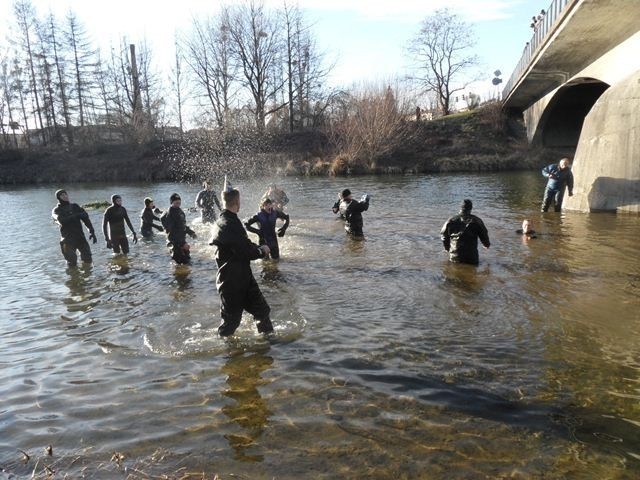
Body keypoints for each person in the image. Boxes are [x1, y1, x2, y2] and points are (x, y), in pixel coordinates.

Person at [209, 185, 274, 337]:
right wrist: (261, 251)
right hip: (232, 282)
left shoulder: (224, 221)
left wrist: (257, 247)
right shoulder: (229, 224)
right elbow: (244, 251)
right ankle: (227, 356)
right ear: (237, 202)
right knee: (231, 323)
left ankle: (269, 345)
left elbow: (242, 244)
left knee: (262, 311)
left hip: (242, 278)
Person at [52, 189, 97, 267]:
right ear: (58, 198)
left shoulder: (75, 206)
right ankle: (74, 277)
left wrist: (91, 231)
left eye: (66, 194)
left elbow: (86, 218)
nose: (65, 196)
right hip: (67, 240)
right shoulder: (56, 210)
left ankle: (88, 277)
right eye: (62, 195)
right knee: (72, 263)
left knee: (88, 260)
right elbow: (61, 220)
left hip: (80, 237)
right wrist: (76, 215)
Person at [440, 199, 491, 265]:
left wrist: (447, 248)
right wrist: (486, 244)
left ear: (460, 208)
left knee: (453, 272)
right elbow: (484, 234)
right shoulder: (477, 221)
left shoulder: (451, 220)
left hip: (455, 255)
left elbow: (443, 236)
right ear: (471, 208)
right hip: (472, 257)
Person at [161, 193, 197, 264]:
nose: (178, 203)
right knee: (182, 264)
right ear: (172, 202)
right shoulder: (170, 214)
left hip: (181, 241)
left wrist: (191, 232)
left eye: (179, 202)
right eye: (176, 202)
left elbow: (182, 225)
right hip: (176, 244)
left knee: (187, 263)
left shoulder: (179, 211)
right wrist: (182, 244)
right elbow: (173, 232)